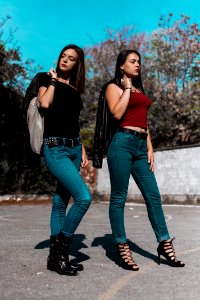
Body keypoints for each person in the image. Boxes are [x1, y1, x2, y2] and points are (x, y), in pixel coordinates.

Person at [94, 49, 185, 270]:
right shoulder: (113, 87)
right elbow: (116, 113)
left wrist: (150, 146)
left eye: (139, 62)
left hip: (140, 146)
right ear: (121, 66)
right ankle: (121, 245)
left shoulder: (139, 89)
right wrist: (126, 88)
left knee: (153, 195)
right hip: (122, 144)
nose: (137, 65)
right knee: (119, 198)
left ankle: (164, 242)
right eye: (133, 62)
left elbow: (143, 120)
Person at [37, 44, 92, 276]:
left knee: (61, 202)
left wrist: (83, 150)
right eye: (63, 56)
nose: (65, 60)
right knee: (83, 198)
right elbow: (45, 104)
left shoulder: (75, 89)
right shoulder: (45, 78)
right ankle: (60, 251)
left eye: (71, 59)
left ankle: (56, 259)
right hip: (55, 148)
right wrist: (52, 81)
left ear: (77, 64)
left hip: (73, 148)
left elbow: (73, 122)